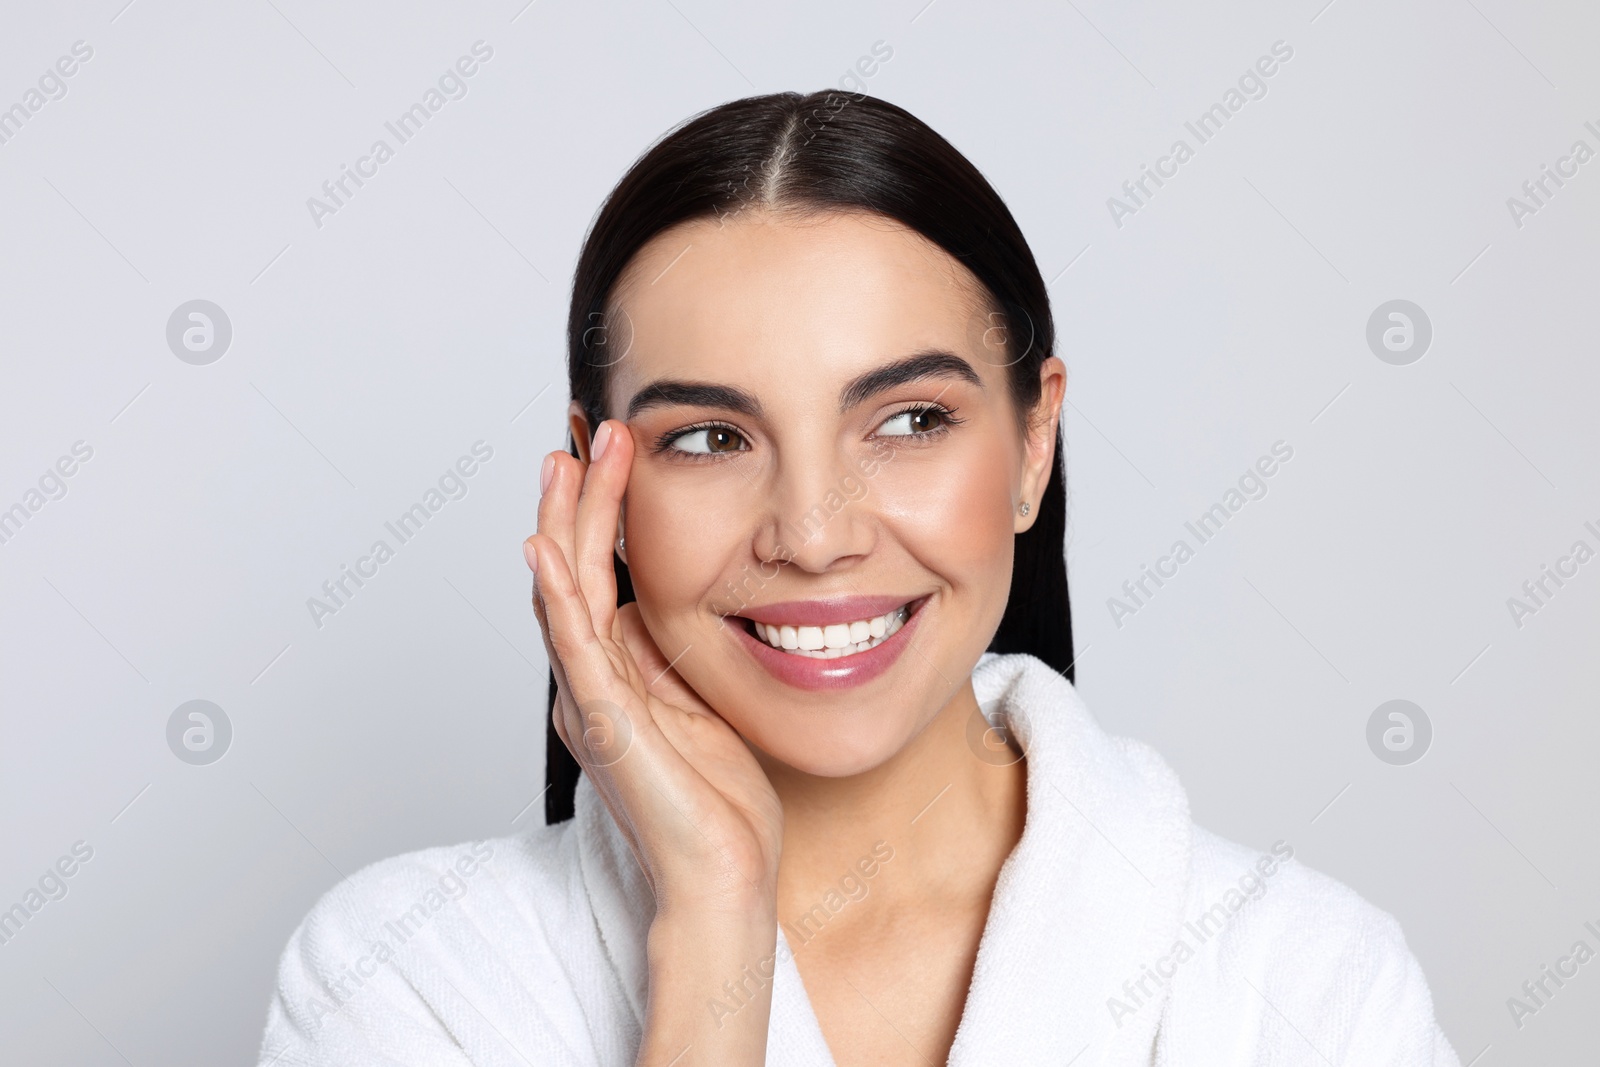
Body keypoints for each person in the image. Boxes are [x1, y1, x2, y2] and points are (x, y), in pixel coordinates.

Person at [258, 91, 1461, 1066]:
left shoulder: (1305, 984)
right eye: (709, 438)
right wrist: (715, 922)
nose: (814, 533)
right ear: (597, 487)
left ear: (1034, 443)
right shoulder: (415, 978)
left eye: (909, 418)